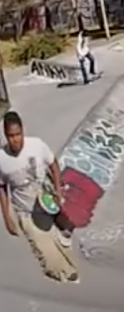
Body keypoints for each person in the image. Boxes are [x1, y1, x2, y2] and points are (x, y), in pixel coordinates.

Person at [0, 112, 80, 283]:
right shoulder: (1, 158)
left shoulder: (37, 145)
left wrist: (58, 190)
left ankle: (71, 268)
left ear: (23, 130)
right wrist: (7, 218)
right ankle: (62, 275)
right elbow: (2, 188)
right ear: (5, 135)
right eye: (10, 136)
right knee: (44, 248)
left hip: (47, 201)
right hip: (25, 210)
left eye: (18, 134)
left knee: (62, 234)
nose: (15, 140)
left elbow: (53, 164)